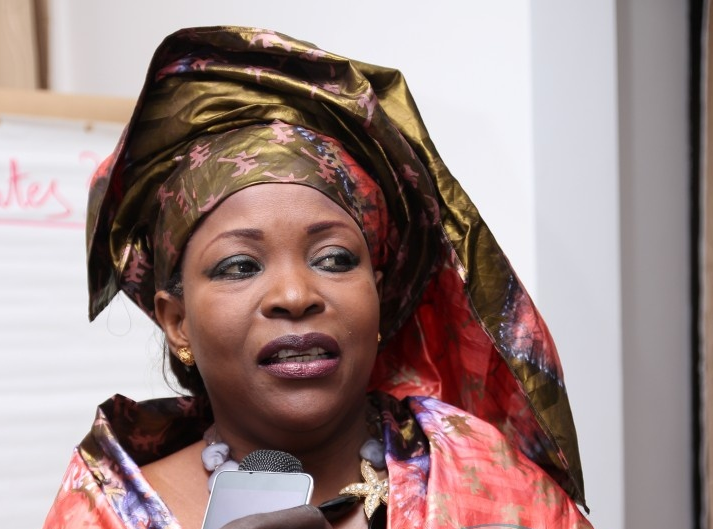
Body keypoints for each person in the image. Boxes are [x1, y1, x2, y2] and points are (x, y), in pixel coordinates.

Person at [44, 26, 593, 529]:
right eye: (240, 266)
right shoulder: (103, 516)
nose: (294, 295)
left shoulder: (492, 488)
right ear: (177, 321)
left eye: (333, 259)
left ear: (379, 295)